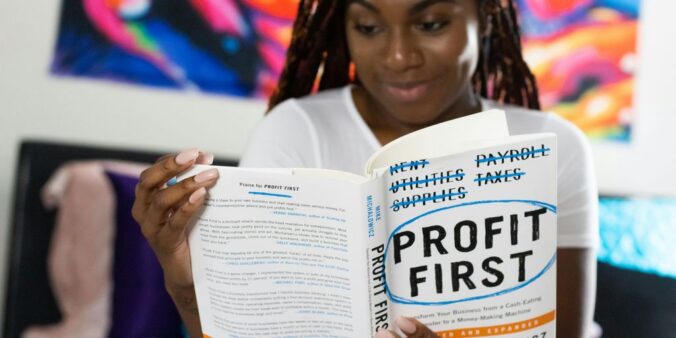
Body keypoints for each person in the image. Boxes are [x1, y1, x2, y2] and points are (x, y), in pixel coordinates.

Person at [131, 0, 598, 337]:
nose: (399, 57)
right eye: (369, 27)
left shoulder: (554, 146)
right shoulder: (297, 130)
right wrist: (191, 289)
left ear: (486, 13)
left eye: (431, 22)